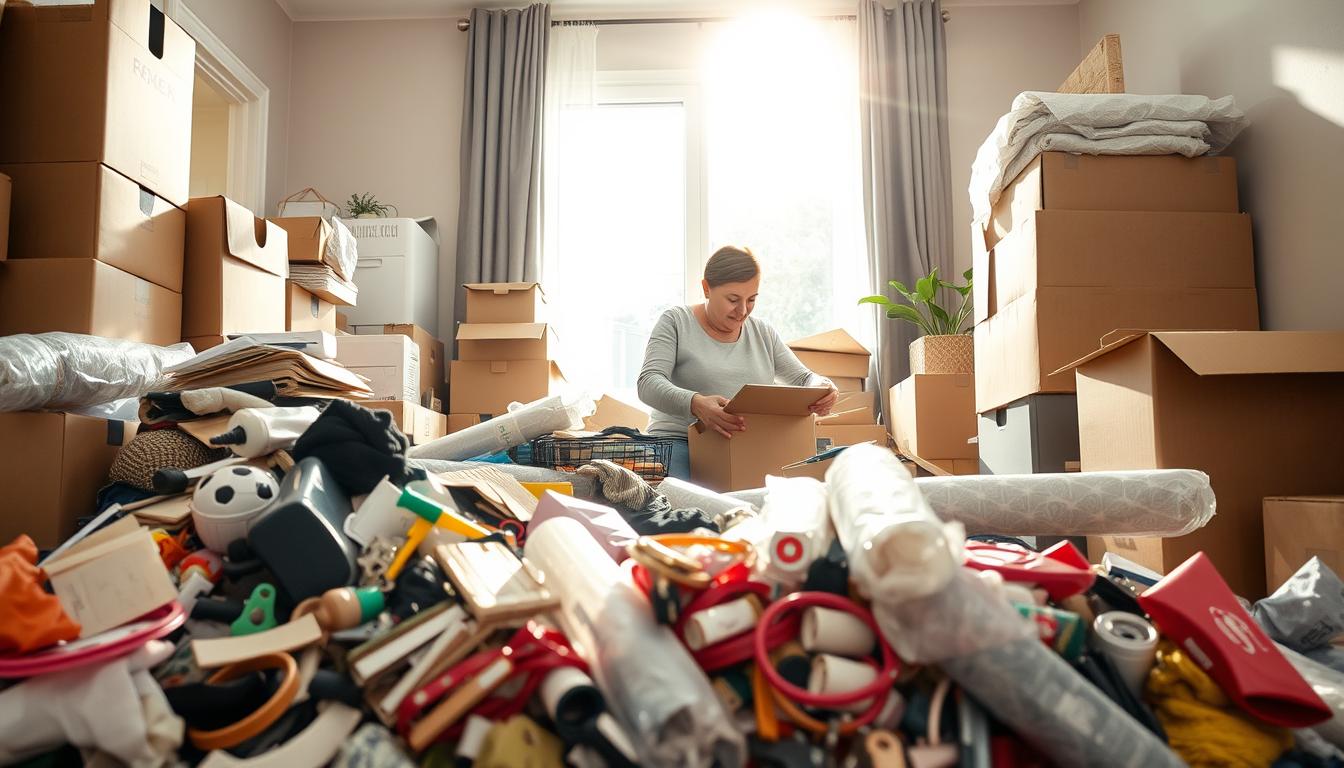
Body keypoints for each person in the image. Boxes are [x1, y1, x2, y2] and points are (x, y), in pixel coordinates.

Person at [637, 245, 840, 481]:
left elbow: (805, 379)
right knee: (688, 506)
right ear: (706, 288)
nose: (743, 311)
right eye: (733, 300)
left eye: (752, 299)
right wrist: (697, 404)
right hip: (679, 443)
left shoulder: (763, 333)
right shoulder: (675, 322)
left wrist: (823, 386)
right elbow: (648, 382)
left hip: (746, 448)